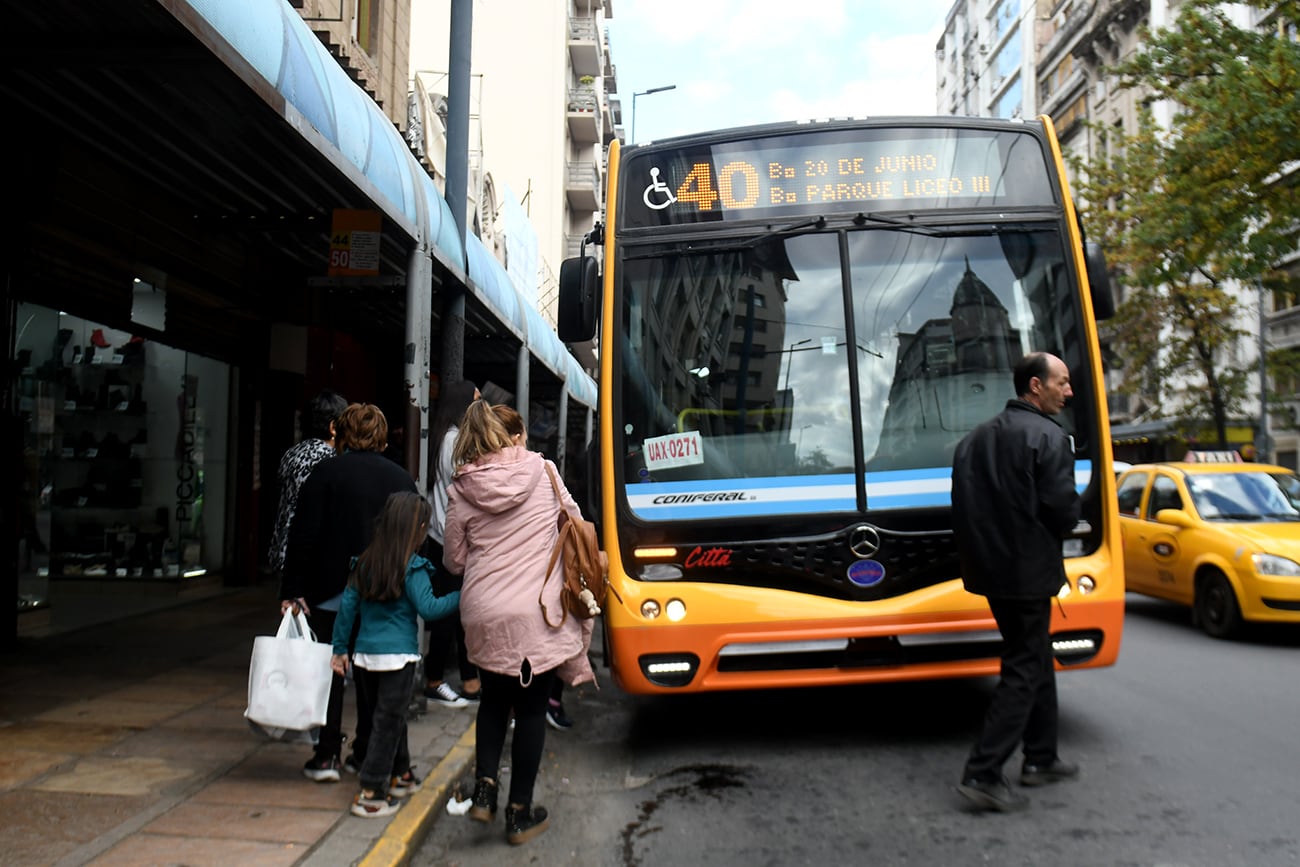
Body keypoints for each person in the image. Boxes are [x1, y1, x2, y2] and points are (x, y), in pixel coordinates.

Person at [444, 401, 595, 845]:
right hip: (536, 615)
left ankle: (485, 791)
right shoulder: (544, 472)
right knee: (530, 710)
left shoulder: (461, 487)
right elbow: (576, 523)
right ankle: (519, 812)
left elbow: (454, 560)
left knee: (493, 701)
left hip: (484, 612)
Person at [951, 352, 1083, 812]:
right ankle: (984, 773)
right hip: (1029, 574)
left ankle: (1041, 757)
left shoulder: (973, 440)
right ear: (1034, 386)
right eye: (1061, 383)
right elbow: (1064, 513)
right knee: (1024, 668)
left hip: (991, 573)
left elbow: (964, 511)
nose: (1068, 392)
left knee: (1033, 654)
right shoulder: (1050, 437)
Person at [280, 403, 419, 783]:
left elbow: (302, 535)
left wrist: (292, 589)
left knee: (330, 674)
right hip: (382, 592)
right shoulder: (401, 479)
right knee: (375, 676)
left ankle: (326, 756)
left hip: (330, 590)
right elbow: (411, 540)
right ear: (381, 435)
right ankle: (368, 752)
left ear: (341, 433)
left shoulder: (325, 474)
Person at [330, 491, 461, 817]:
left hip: (364, 658)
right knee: (388, 723)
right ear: (417, 529)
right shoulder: (412, 568)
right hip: (398, 659)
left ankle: (401, 773)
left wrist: (339, 650)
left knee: (385, 717)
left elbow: (347, 608)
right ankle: (372, 789)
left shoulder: (366, 562)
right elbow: (429, 609)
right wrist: (463, 594)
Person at [422, 380, 482, 708]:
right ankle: (434, 679)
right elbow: (469, 487)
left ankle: (469, 682)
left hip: (445, 538)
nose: (480, 407)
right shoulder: (454, 441)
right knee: (451, 613)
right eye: (475, 401)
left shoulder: (445, 437)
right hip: (451, 542)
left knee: (458, 613)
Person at [267, 390, 347, 579]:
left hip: (283, 552)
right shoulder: (329, 460)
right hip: (310, 557)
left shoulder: (291, 454)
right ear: (333, 427)